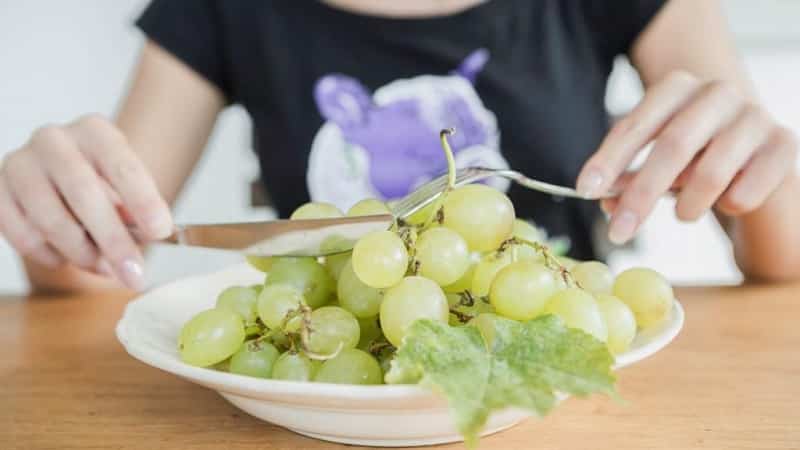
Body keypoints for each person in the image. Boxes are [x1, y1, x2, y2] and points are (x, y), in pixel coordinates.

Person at [1, 0, 798, 294]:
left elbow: (780, 257)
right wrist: (57, 213)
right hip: (330, 403)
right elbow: (94, 266)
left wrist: (764, 169)